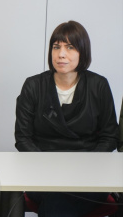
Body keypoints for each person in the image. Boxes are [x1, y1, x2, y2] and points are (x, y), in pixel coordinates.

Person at [15, 21, 119, 216]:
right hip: (42, 173)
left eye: (70, 47)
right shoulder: (33, 85)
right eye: (56, 47)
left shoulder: (99, 85)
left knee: (57, 204)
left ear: (83, 52)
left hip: (89, 175)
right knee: (57, 201)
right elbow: (23, 139)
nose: (61, 54)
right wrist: (47, 168)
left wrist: (86, 167)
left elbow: (110, 136)